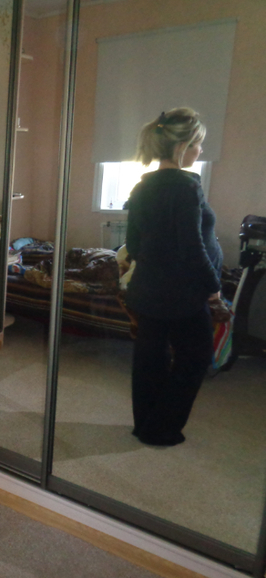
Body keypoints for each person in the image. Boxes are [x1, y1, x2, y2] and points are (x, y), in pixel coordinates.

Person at [124, 108, 223, 446]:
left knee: (150, 359)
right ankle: (160, 428)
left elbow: (133, 245)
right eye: (197, 144)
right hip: (183, 294)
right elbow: (193, 248)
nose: (200, 150)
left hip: (149, 290)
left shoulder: (143, 186)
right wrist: (212, 288)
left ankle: (145, 424)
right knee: (196, 358)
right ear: (182, 147)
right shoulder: (185, 187)